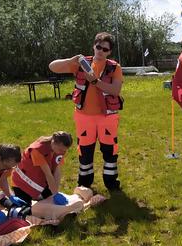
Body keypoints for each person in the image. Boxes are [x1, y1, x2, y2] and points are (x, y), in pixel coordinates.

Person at [49, 32, 123, 191]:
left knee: (110, 152)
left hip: (107, 117)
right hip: (84, 117)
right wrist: (70, 61)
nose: (100, 51)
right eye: (98, 47)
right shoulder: (82, 63)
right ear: (93, 46)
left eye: (105, 49)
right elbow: (52, 66)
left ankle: (111, 183)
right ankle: (84, 183)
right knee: (85, 151)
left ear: (109, 51)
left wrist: (96, 81)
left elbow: (115, 90)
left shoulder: (114, 67)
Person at [11, 132, 73, 206]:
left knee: (51, 202)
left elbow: (57, 170)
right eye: (60, 149)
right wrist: (55, 194)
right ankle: (3, 199)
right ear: (53, 142)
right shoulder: (38, 150)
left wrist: (55, 192)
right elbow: (48, 174)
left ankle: (37, 196)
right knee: (24, 208)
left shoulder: (59, 149)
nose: (62, 152)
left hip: (39, 180)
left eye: (65, 150)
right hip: (22, 182)